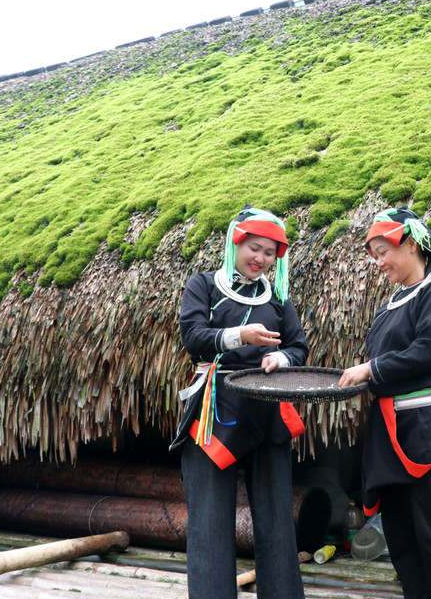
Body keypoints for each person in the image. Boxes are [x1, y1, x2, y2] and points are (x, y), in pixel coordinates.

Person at [169, 205, 308, 599]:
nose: (260, 259)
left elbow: (297, 345)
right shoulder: (204, 285)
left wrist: (281, 358)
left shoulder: (278, 297)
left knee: (277, 519)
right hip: (215, 410)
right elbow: (194, 336)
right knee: (210, 522)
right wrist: (239, 336)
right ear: (236, 242)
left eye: (269, 253)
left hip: (267, 410)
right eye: (255, 248)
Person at [338, 206, 431, 599]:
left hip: (426, 427)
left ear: (411, 245)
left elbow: (425, 353)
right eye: (374, 254)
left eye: (383, 252)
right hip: (388, 433)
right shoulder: (389, 306)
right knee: (401, 540)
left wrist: (369, 368)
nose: (378, 262)